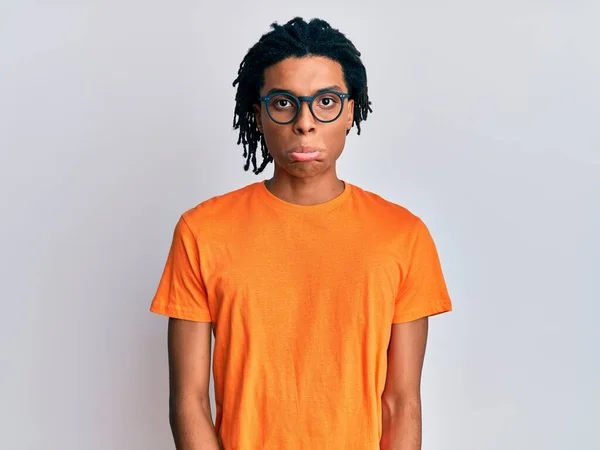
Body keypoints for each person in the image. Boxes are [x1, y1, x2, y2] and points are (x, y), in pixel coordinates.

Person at [150, 17, 452, 450]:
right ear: (258, 113)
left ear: (350, 111)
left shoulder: (402, 236)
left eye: (326, 101)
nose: (305, 122)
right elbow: (189, 400)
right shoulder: (202, 231)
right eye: (284, 103)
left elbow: (401, 404)